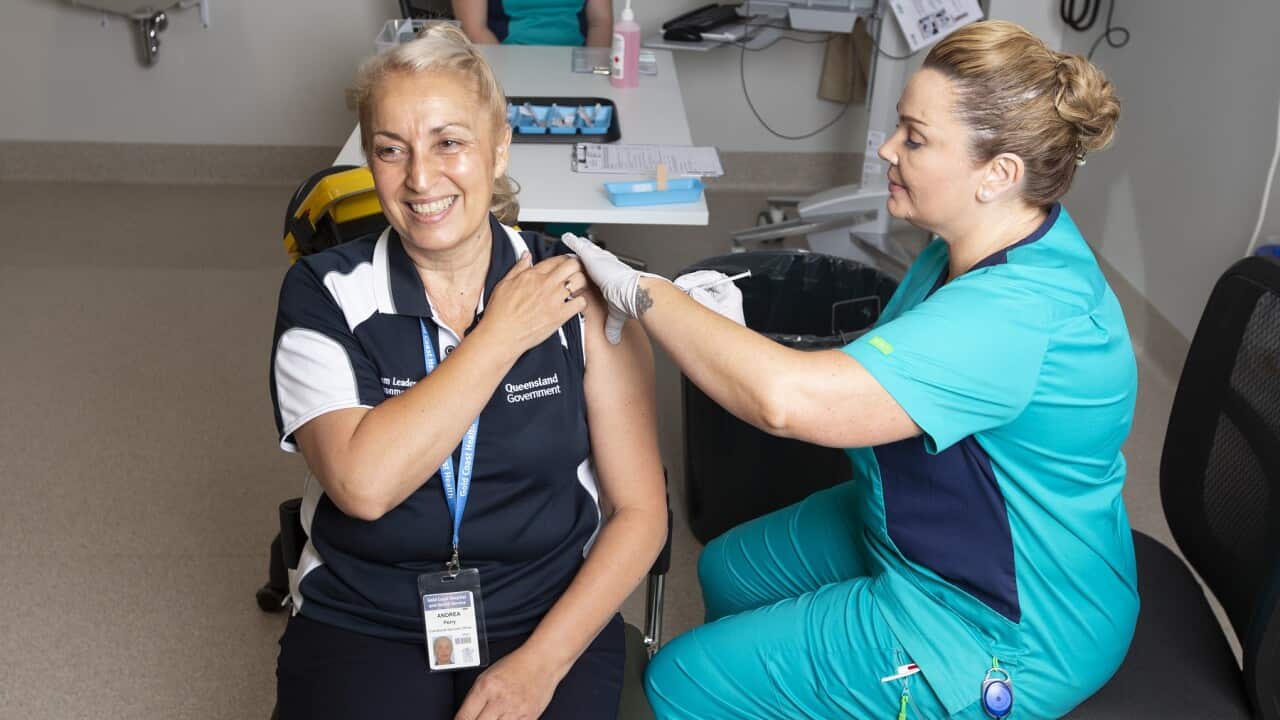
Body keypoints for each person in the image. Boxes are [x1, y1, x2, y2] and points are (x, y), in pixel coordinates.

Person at [566, 20, 1133, 719]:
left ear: (999, 175)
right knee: (724, 566)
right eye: (900, 127)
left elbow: (787, 402)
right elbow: (888, 372)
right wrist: (733, 334)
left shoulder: (1015, 315)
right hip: (924, 527)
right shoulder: (969, 240)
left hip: (995, 627)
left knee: (681, 682)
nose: (888, 148)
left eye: (916, 139)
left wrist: (641, 290)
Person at [269, 23, 666, 720]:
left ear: (499, 146)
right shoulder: (324, 292)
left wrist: (540, 666)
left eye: (449, 142)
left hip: (545, 607)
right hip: (368, 608)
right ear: (370, 158)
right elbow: (364, 486)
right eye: (392, 151)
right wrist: (500, 335)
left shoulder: (579, 288)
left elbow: (641, 512)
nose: (421, 179)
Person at [452, 0, 614, 48]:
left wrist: (591, 75)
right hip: (506, 65)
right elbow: (475, 30)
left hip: (574, 66)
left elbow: (600, 23)